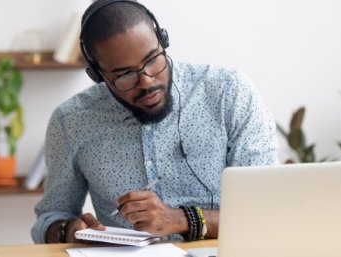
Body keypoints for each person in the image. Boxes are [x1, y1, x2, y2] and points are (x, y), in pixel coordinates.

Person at [31, 0, 279, 244]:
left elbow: (266, 211)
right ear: (98, 75)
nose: (147, 82)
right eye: (125, 75)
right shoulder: (70, 121)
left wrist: (182, 219)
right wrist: (69, 230)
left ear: (163, 41)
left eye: (152, 60)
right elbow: (49, 219)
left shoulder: (229, 93)